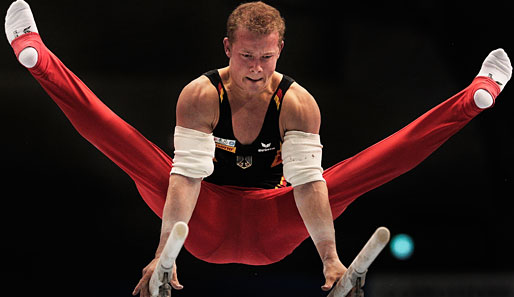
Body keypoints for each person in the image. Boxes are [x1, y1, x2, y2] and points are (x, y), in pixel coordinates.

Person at [5, 1, 511, 297]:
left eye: (266, 58)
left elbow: (308, 185)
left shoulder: (298, 104)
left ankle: (473, 99)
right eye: (246, 55)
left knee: (356, 172)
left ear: (281, 51)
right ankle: (36, 56)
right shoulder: (201, 94)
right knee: (128, 147)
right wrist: (164, 253)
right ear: (227, 48)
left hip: (274, 226)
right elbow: (185, 180)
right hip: (200, 222)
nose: (254, 67)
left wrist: (330, 260)